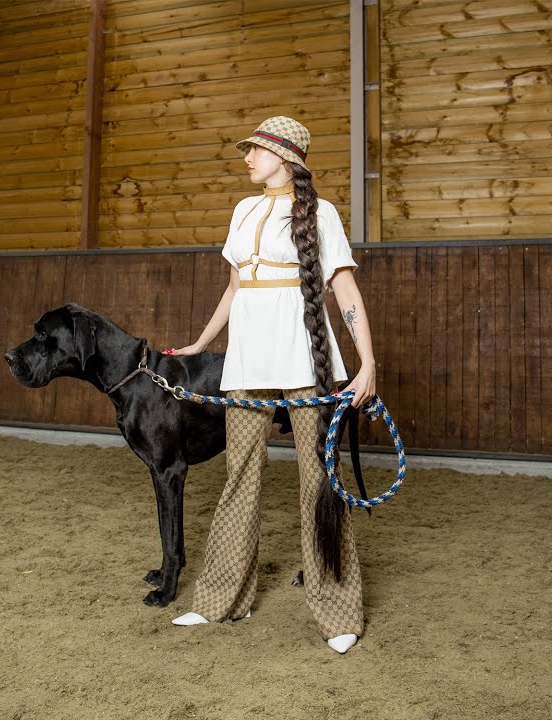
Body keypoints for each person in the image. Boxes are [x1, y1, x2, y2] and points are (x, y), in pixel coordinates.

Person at [164, 116, 378, 655]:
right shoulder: (243, 209)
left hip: (304, 358)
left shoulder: (321, 213)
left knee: (318, 479)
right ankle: (221, 599)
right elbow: (234, 288)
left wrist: (367, 363)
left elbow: (344, 290)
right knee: (239, 475)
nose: (247, 159)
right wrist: (199, 343)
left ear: (284, 157)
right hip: (248, 360)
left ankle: (338, 611)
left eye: (255, 150)